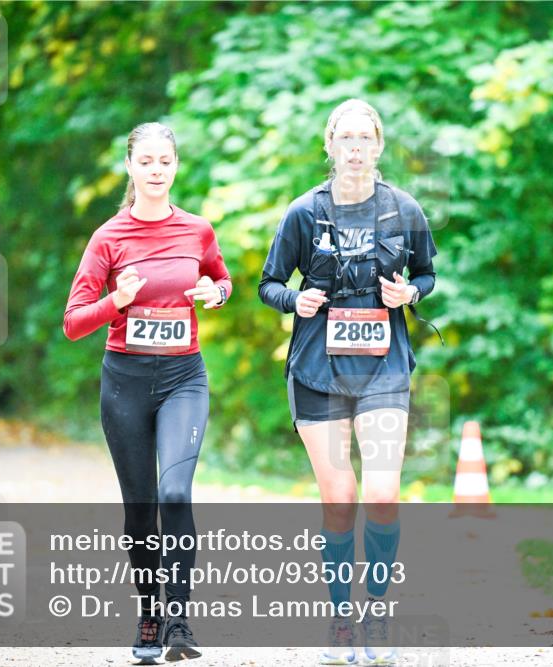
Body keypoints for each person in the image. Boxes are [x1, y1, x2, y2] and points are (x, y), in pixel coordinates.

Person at [259, 99, 438, 666]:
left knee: (382, 495)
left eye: (366, 138)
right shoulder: (303, 213)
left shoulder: (404, 209)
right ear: (330, 145)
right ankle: (341, 621)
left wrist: (409, 294)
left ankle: (378, 614)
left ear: (379, 146)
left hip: (384, 366)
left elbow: (427, 273)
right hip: (318, 368)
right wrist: (296, 299)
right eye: (346, 138)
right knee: (340, 499)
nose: (356, 148)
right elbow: (268, 283)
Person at [63, 122, 231, 662]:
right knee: (140, 509)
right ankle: (150, 615)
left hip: (184, 377)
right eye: (147, 161)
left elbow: (221, 280)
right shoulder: (108, 237)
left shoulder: (198, 230)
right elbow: (73, 322)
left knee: (175, 494)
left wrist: (215, 292)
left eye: (166, 161)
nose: (157, 170)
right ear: (131, 168)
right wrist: (117, 301)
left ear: (175, 166)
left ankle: (180, 622)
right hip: (126, 382)